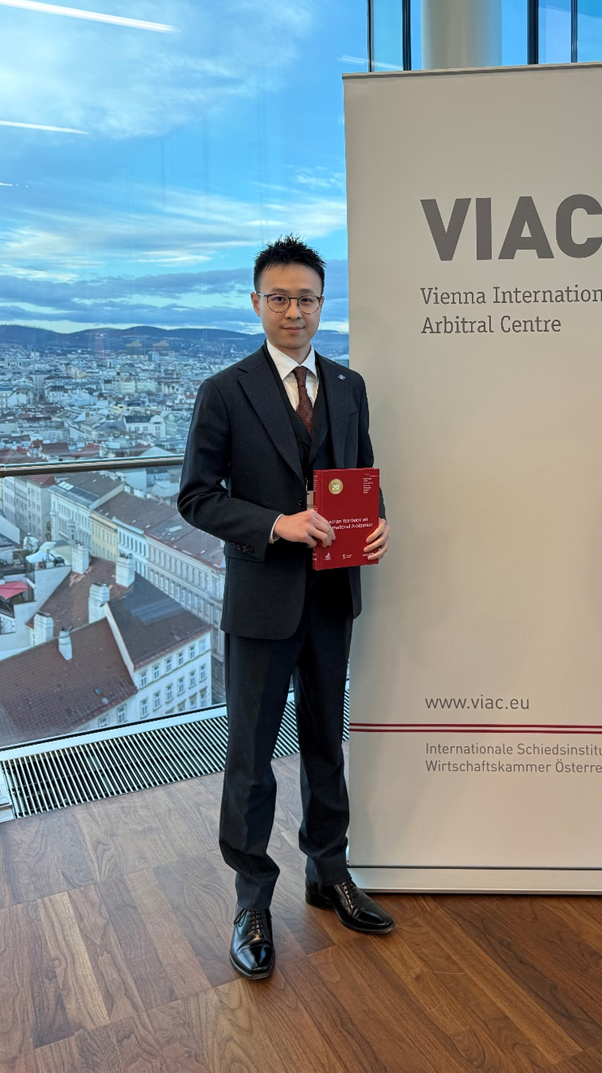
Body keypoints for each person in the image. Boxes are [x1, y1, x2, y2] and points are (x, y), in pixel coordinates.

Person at [179, 234, 394, 981]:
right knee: (250, 758)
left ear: (322, 304)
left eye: (306, 298)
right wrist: (276, 524)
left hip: (333, 592)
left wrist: (378, 522)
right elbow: (196, 497)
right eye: (279, 298)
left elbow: (362, 473)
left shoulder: (347, 384)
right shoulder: (225, 390)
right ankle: (251, 901)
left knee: (326, 743)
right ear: (256, 304)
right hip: (263, 598)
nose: (293, 310)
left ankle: (328, 872)